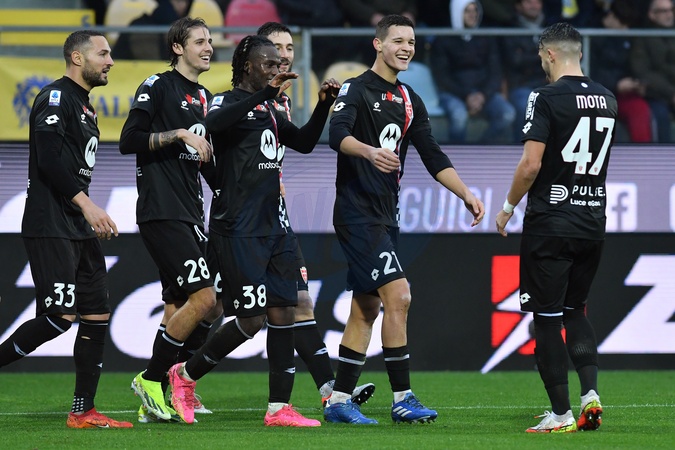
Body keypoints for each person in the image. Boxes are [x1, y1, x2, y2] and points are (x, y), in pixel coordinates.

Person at [166, 34, 341, 427]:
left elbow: (304, 143)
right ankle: (184, 375)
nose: (277, 69)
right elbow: (210, 126)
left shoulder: (271, 109)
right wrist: (265, 94)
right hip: (237, 227)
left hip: (273, 224)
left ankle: (279, 408)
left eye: (279, 64)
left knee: (284, 311)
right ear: (247, 67)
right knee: (250, 320)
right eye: (269, 64)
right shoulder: (226, 101)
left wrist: (323, 106)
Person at [324, 14, 485, 424]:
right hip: (357, 212)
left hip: (385, 214)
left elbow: (432, 154)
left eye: (411, 42)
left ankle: (339, 400)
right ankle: (403, 398)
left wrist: (465, 193)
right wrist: (368, 151)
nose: (406, 48)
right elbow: (336, 134)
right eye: (398, 40)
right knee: (399, 295)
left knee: (366, 308)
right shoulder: (356, 89)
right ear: (378, 44)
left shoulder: (410, 98)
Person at [0, 30, 132, 429]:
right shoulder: (55, 97)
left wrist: (85, 211)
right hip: (51, 222)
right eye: (102, 53)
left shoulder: (86, 106)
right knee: (58, 317)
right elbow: (48, 160)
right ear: (77, 57)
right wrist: (88, 205)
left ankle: (83, 411)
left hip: (76, 225)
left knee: (96, 315)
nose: (110, 61)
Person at [496, 22, 615, 433]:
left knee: (546, 318)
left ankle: (562, 415)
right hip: (592, 221)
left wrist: (508, 207)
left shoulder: (544, 97)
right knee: (575, 310)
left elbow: (531, 165)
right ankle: (590, 395)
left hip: (551, 222)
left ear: (549, 53)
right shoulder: (608, 98)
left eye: (540, 56)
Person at [256, 21, 375, 407]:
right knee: (211, 308)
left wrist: (324, 105)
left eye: (290, 48)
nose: (285, 54)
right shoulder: (245, 98)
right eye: (277, 47)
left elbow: (301, 143)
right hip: (243, 219)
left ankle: (329, 391)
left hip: (275, 215)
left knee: (300, 303)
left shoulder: (282, 101)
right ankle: (176, 376)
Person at [119, 17, 219, 423]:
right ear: (178, 48)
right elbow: (128, 140)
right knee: (205, 299)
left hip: (191, 212)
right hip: (162, 210)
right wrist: (178, 134)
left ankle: (161, 395)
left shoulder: (206, 97)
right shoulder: (157, 85)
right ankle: (152, 379)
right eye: (199, 41)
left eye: (210, 41)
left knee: (184, 306)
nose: (208, 47)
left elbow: (206, 163)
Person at [431, 0, 516, 144]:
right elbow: (442, 78)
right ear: (457, 12)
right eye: (467, 11)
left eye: (475, 10)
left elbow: (495, 72)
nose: (473, 15)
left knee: (507, 114)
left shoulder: (486, 37)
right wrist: (467, 96)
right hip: (454, 93)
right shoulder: (443, 39)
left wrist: (482, 95)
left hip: (482, 93)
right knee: (459, 116)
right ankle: (455, 155)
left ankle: (481, 149)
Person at [590, 0, 652, 143]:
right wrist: (616, 84)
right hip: (599, 95)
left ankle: (642, 153)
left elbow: (639, 67)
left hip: (626, 94)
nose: (625, 28)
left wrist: (638, 84)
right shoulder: (591, 38)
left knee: (639, 108)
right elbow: (590, 72)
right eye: (622, 23)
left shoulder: (632, 39)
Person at [502, 0, 548, 142]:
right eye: (529, 2)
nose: (534, 6)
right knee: (526, 107)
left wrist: (527, 54)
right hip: (520, 85)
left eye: (537, 2)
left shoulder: (550, 27)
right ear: (518, 6)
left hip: (545, 85)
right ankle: (520, 149)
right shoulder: (510, 28)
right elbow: (515, 60)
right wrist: (542, 55)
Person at [629, 0, 675, 143]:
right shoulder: (642, 38)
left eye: (671, 10)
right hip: (656, 95)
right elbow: (642, 72)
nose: (669, 15)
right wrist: (671, 93)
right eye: (664, 11)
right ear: (652, 14)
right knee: (660, 115)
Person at [113, 0, 193, 60]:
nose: (184, 5)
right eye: (179, 1)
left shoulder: (188, 29)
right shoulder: (139, 28)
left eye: (186, 2)